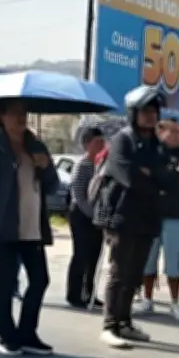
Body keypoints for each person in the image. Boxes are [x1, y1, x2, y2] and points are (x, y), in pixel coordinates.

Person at [92, 85, 179, 349]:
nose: (151, 115)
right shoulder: (123, 140)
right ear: (133, 113)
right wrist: (155, 178)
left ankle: (125, 321)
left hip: (147, 217)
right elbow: (129, 178)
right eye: (145, 110)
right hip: (121, 215)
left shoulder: (155, 143)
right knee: (119, 272)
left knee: (135, 275)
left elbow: (170, 178)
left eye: (154, 110)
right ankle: (110, 324)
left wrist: (153, 174)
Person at [0, 99, 59, 356]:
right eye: (15, 114)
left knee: (40, 279)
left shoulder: (36, 146)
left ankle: (27, 333)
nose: (21, 119)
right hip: (5, 227)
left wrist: (45, 166)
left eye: (24, 113)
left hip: (32, 226)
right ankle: (6, 335)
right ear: (2, 116)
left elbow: (53, 186)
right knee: (8, 280)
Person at [134, 118, 179, 321]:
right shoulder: (151, 152)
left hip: (175, 215)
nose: (178, 135)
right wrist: (164, 176)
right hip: (150, 213)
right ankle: (147, 299)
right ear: (160, 131)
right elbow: (144, 174)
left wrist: (162, 176)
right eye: (173, 131)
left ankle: (175, 303)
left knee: (174, 262)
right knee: (148, 260)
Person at [66, 126, 106, 308]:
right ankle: (74, 293)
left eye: (102, 142)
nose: (101, 145)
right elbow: (78, 194)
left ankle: (89, 293)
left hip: (96, 218)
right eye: (97, 142)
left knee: (94, 256)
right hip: (81, 215)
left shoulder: (100, 165)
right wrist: (91, 214)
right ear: (87, 144)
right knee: (81, 254)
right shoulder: (82, 165)